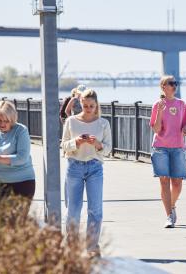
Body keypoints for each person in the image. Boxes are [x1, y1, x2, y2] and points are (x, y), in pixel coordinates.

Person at [61, 88, 112, 258]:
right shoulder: (71, 121)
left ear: (96, 105)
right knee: (73, 210)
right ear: (80, 104)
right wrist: (76, 142)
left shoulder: (103, 123)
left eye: (91, 106)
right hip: (74, 166)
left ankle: (92, 247)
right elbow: (64, 146)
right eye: (85, 105)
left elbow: (108, 150)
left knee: (95, 210)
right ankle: (71, 246)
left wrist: (98, 144)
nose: (88, 109)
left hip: (95, 167)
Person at [150, 75, 186, 228]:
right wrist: (159, 112)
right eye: (170, 83)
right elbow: (157, 129)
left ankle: (171, 206)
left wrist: (185, 129)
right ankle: (169, 216)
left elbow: (184, 124)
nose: (174, 85)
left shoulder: (181, 104)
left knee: (177, 183)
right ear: (163, 87)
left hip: (177, 146)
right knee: (164, 181)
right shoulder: (157, 105)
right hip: (161, 147)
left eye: (175, 83)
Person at [0, 100, 35, 213]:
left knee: (17, 222)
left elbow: (21, 158)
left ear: (12, 119)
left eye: (6, 121)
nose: (2, 124)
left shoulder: (21, 130)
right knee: (1, 221)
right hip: (0, 183)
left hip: (23, 182)